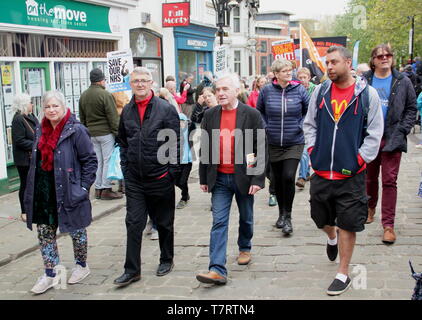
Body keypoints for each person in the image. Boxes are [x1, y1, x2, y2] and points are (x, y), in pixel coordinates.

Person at [304, 46, 384, 296]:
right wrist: (312, 150)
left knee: (348, 223)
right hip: (321, 172)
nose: (328, 67)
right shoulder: (320, 91)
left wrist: (361, 159)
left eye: (334, 62)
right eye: (327, 62)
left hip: (351, 175)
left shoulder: (366, 94)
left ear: (348, 63)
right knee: (321, 219)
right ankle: (331, 237)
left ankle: (343, 272)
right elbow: (309, 124)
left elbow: (375, 131)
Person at [24, 90, 97, 294]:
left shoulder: (76, 130)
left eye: (55, 106)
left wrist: (82, 188)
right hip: (45, 191)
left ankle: (81, 265)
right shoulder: (40, 130)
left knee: (76, 230)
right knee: (45, 234)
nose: (51, 110)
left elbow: (90, 161)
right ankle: (51, 273)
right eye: (47, 106)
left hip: (69, 189)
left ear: (63, 107)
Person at [196, 73, 265, 285]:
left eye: (225, 89)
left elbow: (258, 147)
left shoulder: (251, 114)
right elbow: (206, 147)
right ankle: (217, 268)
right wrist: (204, 176)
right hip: (219, 178)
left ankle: (245, 246)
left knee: (246, 217)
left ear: (237, 91)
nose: (220, 93)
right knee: (219, 221)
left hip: (243, 177)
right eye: (218, 90)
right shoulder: (211, 114)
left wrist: (255, 178)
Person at [114, 67, 180, 287]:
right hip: (135, 179)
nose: (140, 84)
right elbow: (122, 141)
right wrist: (125, 168)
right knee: (133, 223)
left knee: (164, 223)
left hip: (160, 176)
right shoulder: (127, 110)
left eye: (144, 80)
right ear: (130, 84)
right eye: (135, 81)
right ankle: (132, 270)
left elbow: (174, 143)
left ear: (152, 83)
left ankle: (166, 259)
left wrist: (171, 173)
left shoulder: (165, 109)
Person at [363, 44, 417, 244]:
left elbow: (411, 108)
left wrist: (403, 129)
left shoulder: (403, 81)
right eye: (380, 56)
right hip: (370, 136)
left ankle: (388, 225)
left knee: (389, 181)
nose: (385, 58)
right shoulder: (364, 80)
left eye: (388, 55)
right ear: (373, 60)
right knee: (369, 178)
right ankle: (369, 208)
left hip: (393, 135)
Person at [256, 58, 310, 235]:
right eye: (285, 71)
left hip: (294, 141)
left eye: (290, 70)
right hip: (273, 142)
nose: (289, 73)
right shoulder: (266, 91)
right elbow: (260, 112)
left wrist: (300, 125)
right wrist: (265, 127)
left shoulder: (300, 90)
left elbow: (308, 112)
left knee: (288, 176)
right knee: (277, 179)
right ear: (276, 74)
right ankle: (281, 213)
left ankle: (288, 216)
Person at [79, 68, 122, 200]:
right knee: (108, 160)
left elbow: (82, 117)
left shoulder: (84, 95)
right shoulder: (105, 95)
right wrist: (118, 134)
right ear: (101, 81)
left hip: (91, 133)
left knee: (97, 162)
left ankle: (97, 188)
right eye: (104, 80)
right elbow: (112, 117)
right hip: (106, 133)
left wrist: (87, 131)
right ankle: (106, 189)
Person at [11, 93, 39, 223]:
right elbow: (19, 140)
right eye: (29, 102)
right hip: (24, 159)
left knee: (34, 184)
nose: (32, 104)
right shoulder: (18, 120)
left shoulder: (31, 116)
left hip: (33, 156)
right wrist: (36, 145)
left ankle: (34, 207)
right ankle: (24, 211)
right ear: (23, 105)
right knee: (26, 185)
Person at [296, 67, 316, 190]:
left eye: (305, 77)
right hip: (300, 124)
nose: (303, 80)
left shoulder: (316, 89)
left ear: (309, 78)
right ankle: (302, 176)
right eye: (300, 77)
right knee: (303, 152)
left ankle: (305, 174)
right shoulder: (295, 90)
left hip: (313, 124)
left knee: (307, 150)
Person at [175, 113, 193, 209]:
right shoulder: (173, 132)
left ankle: (184, 198)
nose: (180, 123)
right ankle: (186, 194)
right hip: (176, 160)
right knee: (176, 181)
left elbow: (194, 121)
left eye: (182, 121)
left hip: (188, 161)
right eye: (178, 121)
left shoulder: (189, 130)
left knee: (182, 181)